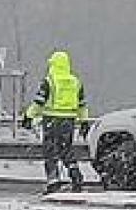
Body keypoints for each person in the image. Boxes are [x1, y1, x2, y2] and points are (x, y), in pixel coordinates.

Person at [26, 50, 89, 193]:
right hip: (69, 121)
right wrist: (84, 121)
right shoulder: (75, 82)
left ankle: (53, 181)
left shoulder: (49, 81)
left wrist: (28, 116)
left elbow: (38, 102)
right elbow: (82, 105)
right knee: (66, 149)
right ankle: (75, 174)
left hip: (51, 120)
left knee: (50, 151)